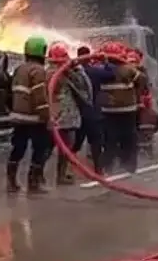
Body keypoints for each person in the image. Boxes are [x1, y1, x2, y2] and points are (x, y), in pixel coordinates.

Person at [7, 36, 53, 193]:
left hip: (18, 117)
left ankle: (11, 181)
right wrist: (47, 117)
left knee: (18, 147)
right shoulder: (38, 71)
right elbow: (40, 96)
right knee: (41, 148)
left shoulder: (19, 69)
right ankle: (34, 182)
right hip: (34, 118)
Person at [46, 41, 93, 185]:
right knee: (53, 148)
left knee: (64, 148)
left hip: (62, 116)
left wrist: (75, 69)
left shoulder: (66, 73)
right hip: (59, 116)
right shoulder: (53, 74)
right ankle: (41, 175)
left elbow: (85, 88)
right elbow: (86, 89)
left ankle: (58, 175)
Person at [98, 40, 147, 174]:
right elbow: (142, 80)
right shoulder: (128, 69)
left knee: (109, 140)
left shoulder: (101, 70)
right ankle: (128, 165)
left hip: (108, 111)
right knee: (129, 139)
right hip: (128, 110)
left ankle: (108, 166)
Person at [72, 45, 113, 173]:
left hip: (77, 113)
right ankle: (98, 169)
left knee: (75, 144)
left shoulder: (72, 72)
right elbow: (111, 75)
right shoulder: (95, 71)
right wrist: (106, 62)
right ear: (89, 57)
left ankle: (67, 168)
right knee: (96, 143)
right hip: (94, 113)